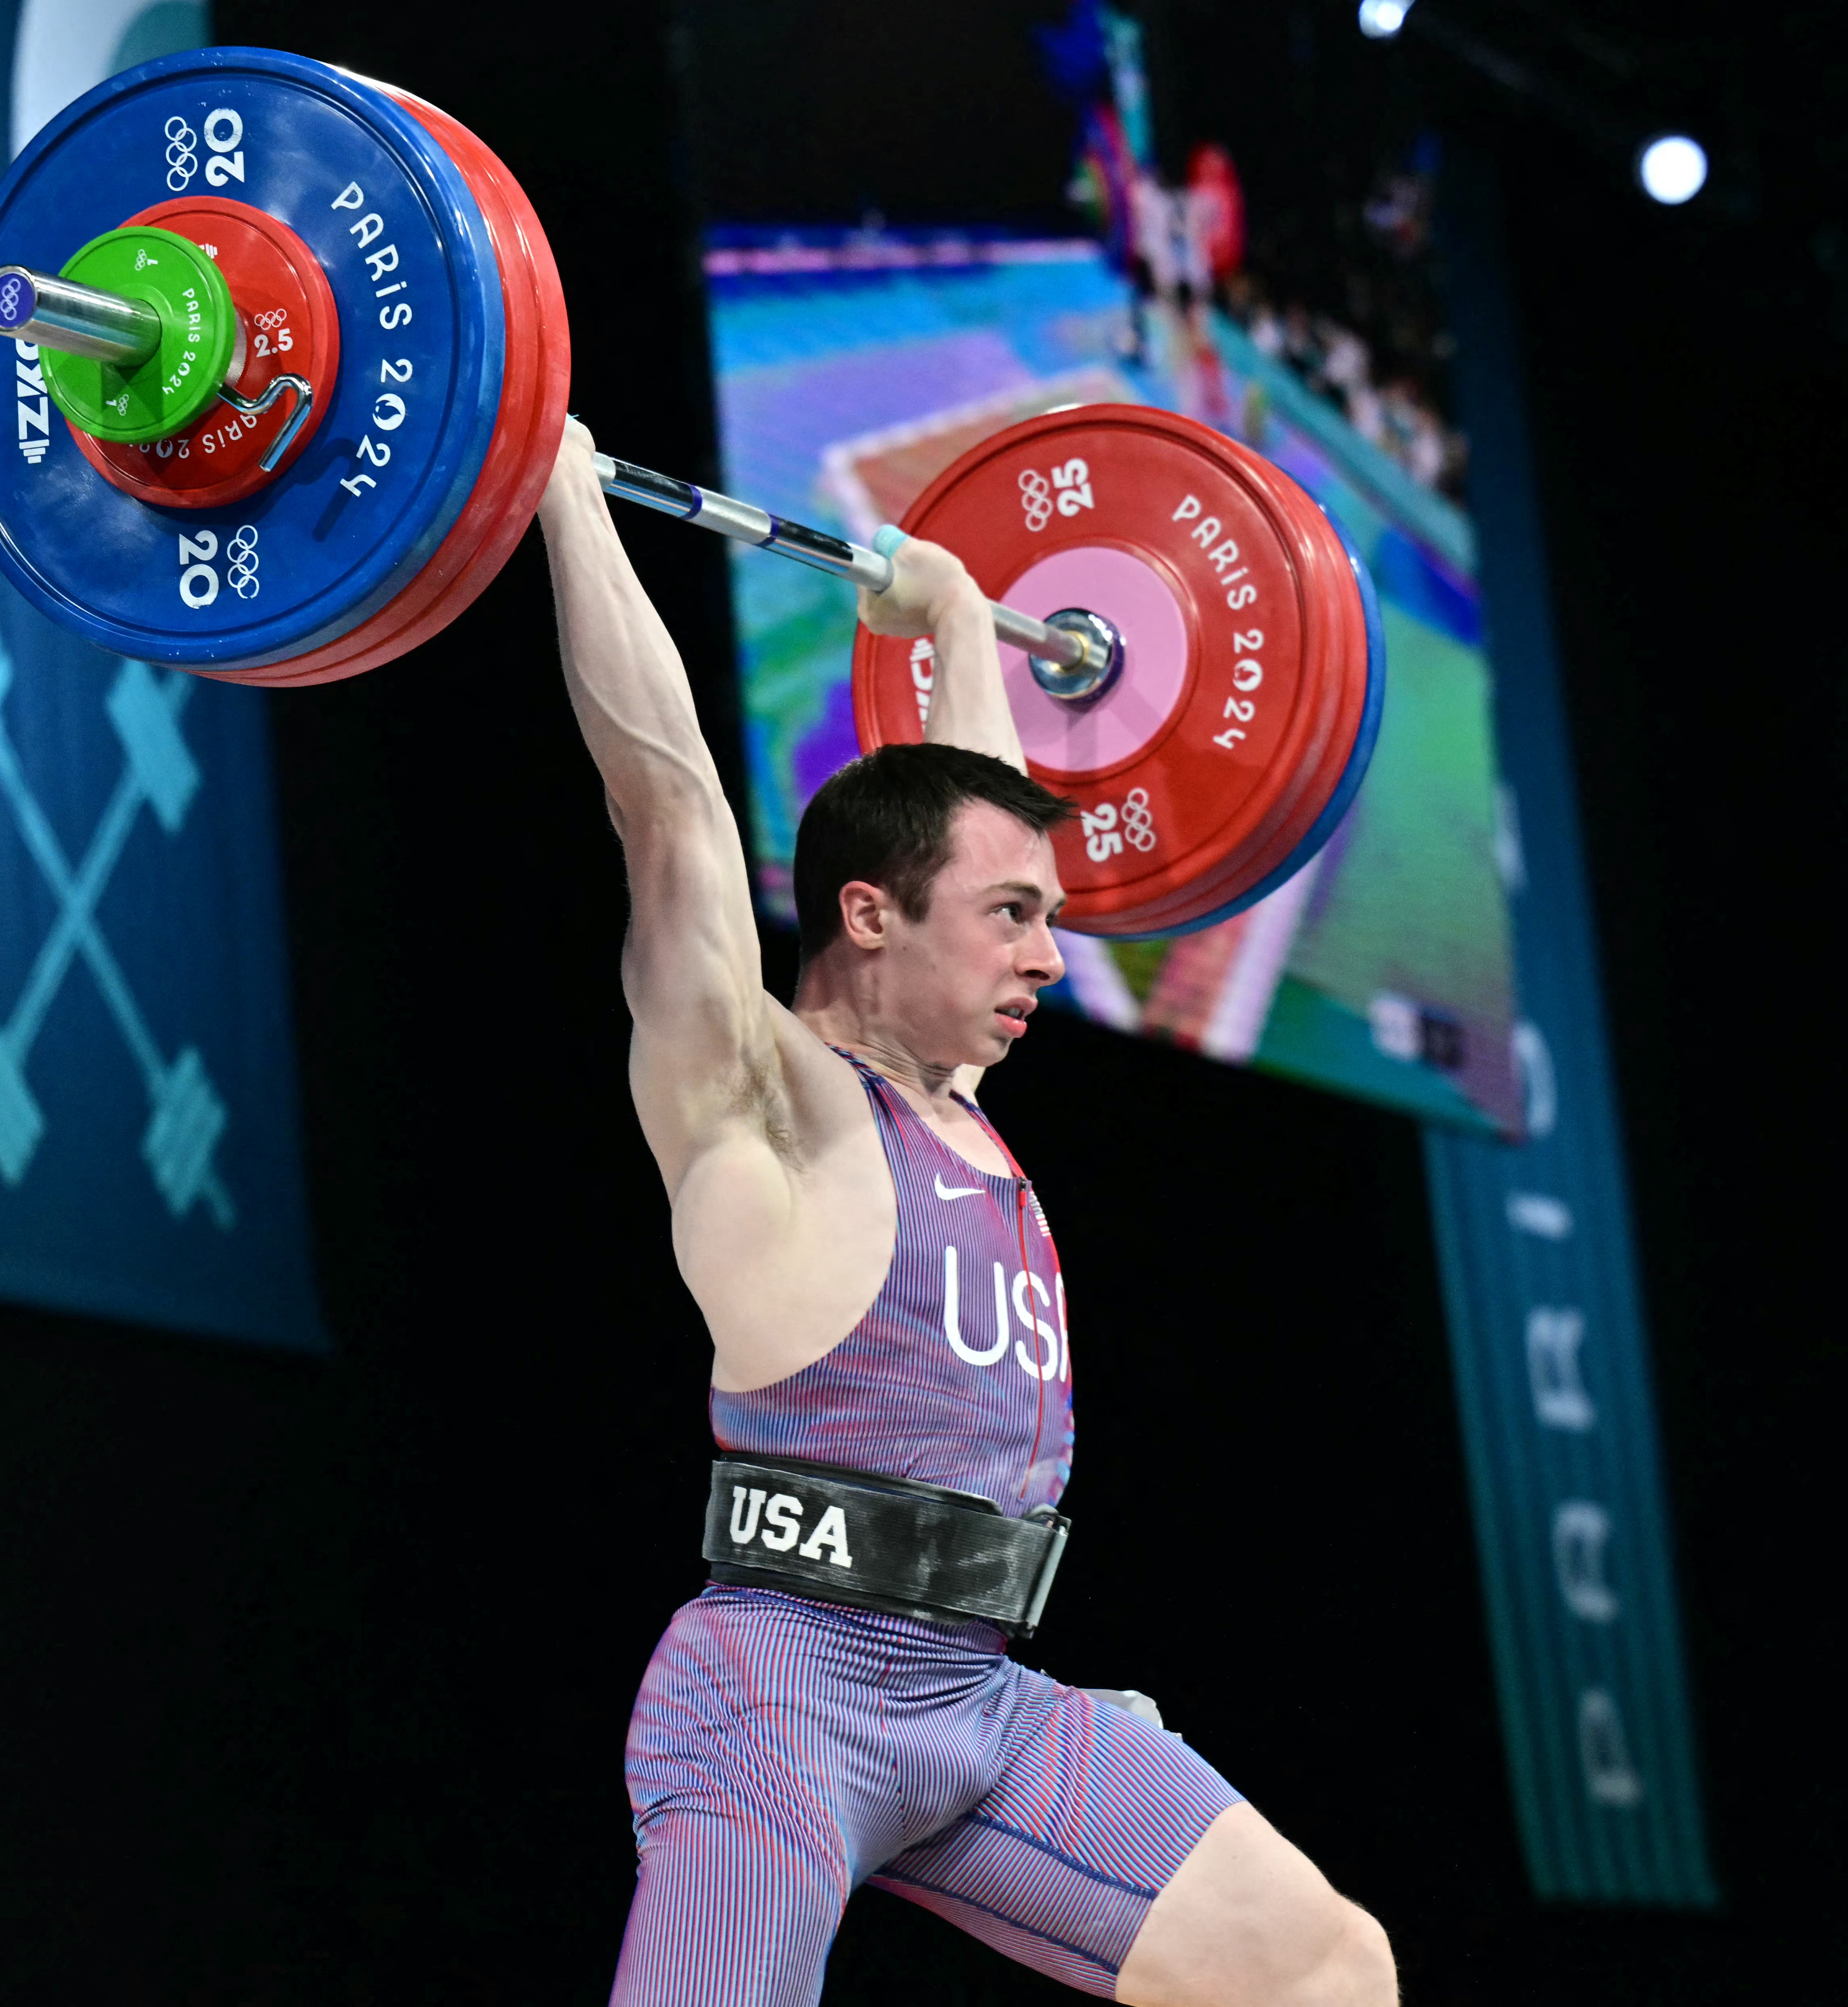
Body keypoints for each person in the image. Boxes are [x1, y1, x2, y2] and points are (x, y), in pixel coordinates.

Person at [537, 418, 1398, 2007]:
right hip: (783, 1700)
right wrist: (563, 499)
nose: (1051, 957)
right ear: (867, 918)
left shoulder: (960, 1110)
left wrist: (948, 617)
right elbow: (666, 809)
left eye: (1047, 919)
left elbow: (978, 821)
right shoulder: (765, 1104)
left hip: (976, 1698)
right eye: (1015, 920)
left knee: (1330, 1969)